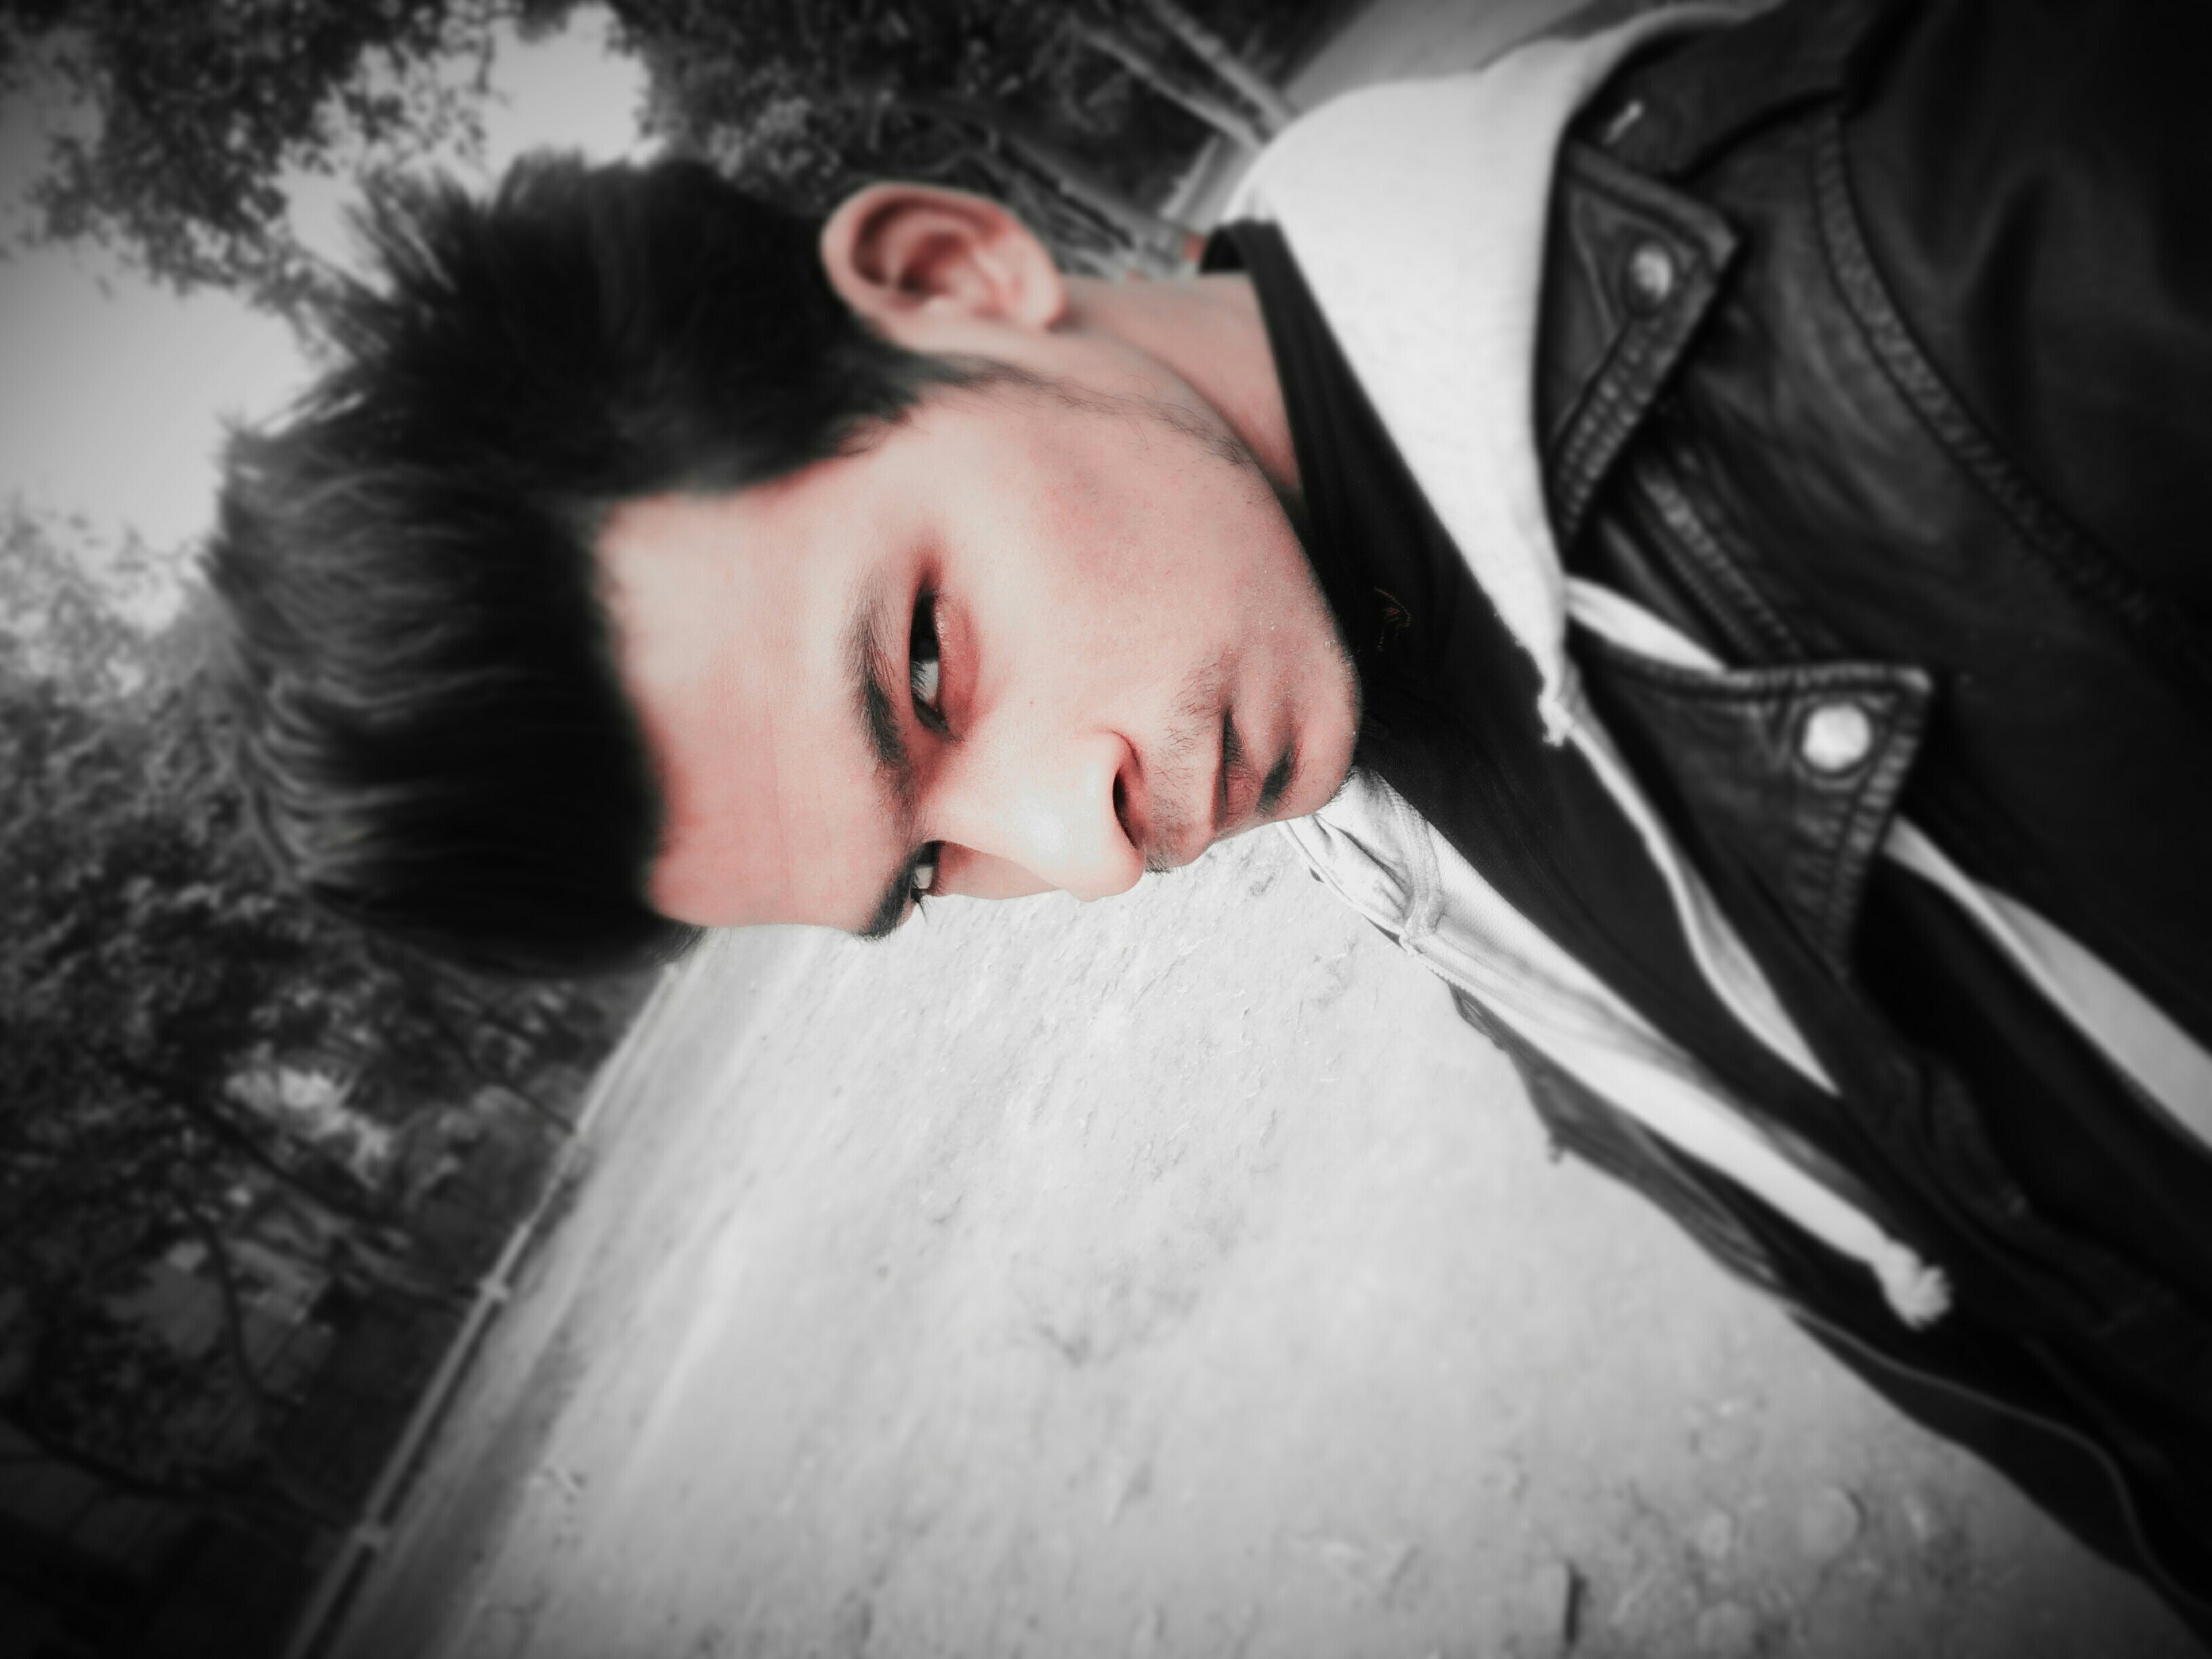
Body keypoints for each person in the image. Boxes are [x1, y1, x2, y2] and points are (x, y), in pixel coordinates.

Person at [208, 0, 2212, 1632]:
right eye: (931, 871)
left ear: (954, 276)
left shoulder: (2029, 222)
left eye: (927, 667)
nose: (1089, 851)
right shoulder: (1367, 779)